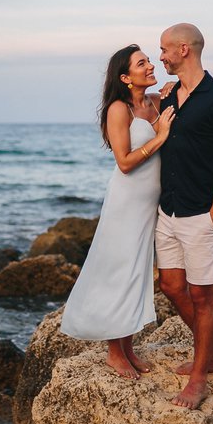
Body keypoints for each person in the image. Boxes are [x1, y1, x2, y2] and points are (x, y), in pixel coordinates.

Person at [60, 45, 176, 379]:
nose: (151, 65)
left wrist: (172, 88)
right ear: (125, 77)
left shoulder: (153, 101)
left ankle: (126, 347)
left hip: (150, 202)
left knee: (137, 272)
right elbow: (124, 163)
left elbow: (179, 92)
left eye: (149, 60)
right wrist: (162, 135)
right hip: (127, 201)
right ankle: (114, 353)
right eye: (142, 63)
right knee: (119, 271)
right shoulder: (118, 109)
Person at [155, 23, 213, 409]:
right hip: (169, 208)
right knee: (172, 287)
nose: (160, 57)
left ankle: (199, 377)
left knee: (203, 296)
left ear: (184, 49)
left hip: (202, 214)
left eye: (164, 50)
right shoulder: (170, 95)